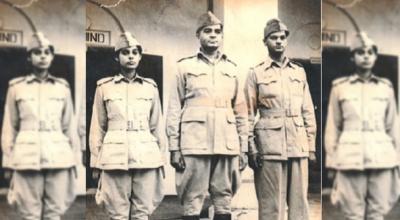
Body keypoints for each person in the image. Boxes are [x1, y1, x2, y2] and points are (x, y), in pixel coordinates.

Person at [166, 11, 248, 220]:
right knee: (192, 199)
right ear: (198, 34)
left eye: (217, 32)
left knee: (224, 199)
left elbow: (241, 112)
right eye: (207, 31)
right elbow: (174, 109)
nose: (213, 35)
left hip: (226, 142)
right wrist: (174, 148)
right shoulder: (184, 66)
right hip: (195, 142)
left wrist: (243, 148)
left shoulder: (232, 69)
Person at [1, 32, 80, 220]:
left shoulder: (62, 87)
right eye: (37, 52)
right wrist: (8, 162)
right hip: (26, 156)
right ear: (29, 57)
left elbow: (69, 125)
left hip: (58, 155)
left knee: (54, 212)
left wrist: (75, 159)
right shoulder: (16, 88)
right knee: (30, 213)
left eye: (47, 52)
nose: (43, 56)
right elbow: (9, 127)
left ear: (52, 57)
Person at [245, 18, 317, 220]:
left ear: (286, 41)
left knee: (299, 205)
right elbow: (247, 114)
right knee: (270, 206)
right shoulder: (256, 73)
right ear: (265, 41)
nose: (279, 41)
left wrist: (310, 146)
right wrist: (251, 148)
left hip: (297, 143)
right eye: (273, 37)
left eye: (282, 37)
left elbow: (308, 110)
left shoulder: (299, 72)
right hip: (269, 147)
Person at [89, 32, 165, 220]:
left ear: (140, 57)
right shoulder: (104, 87)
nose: (130, 56)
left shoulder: (150, 87)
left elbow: (157, 125)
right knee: (117, 212)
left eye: (134, 52)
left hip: (145, 154)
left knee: (142, 211)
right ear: (117, 56)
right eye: (125, 52)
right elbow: (97, 126)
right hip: (114, 156)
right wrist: (96, 161)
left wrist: (161, 158)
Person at [325, 32, 400, 220]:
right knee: (353, 214)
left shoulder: (386, 88)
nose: (365, 56)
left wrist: (398, 160)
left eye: (369, 52)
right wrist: (332, 163)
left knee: (378, 212)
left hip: (381, 158)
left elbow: (393, 126)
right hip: (350, 158)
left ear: (375, 56)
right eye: (360, 52)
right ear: (352, 57)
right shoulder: (339, 88)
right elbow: (333, 127)